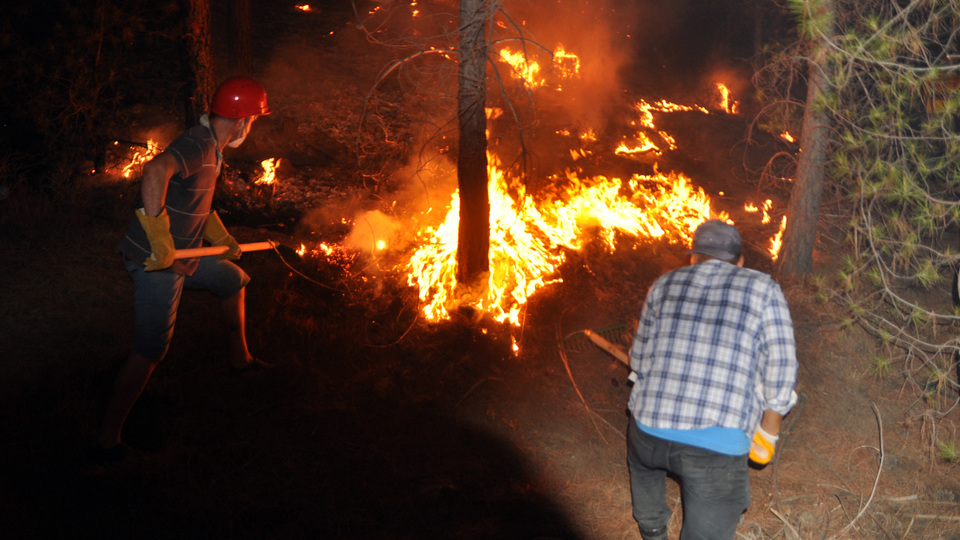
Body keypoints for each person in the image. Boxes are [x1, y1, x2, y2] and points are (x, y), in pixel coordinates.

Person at [93, 77, 273, 461]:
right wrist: (159, 237)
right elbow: (155, 172)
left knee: (232, 279)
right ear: (242, 121)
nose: (252, 128)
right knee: (150, 349)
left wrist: (221, 237)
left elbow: (196, 198)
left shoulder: (212, 146)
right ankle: (106, 441)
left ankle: (240, 363)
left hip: (186, 253)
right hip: (157, 261)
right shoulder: (199, 145)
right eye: (254, 120)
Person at [626, 219, 798, 540]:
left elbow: (638, 361)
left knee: (643, 464)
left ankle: (651, 528)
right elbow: (781, 367)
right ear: (741, 261)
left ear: (692, 257)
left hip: (648, 431)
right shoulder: (763, 289)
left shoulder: (663, 284)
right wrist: (768, 432)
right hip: (714, 445)